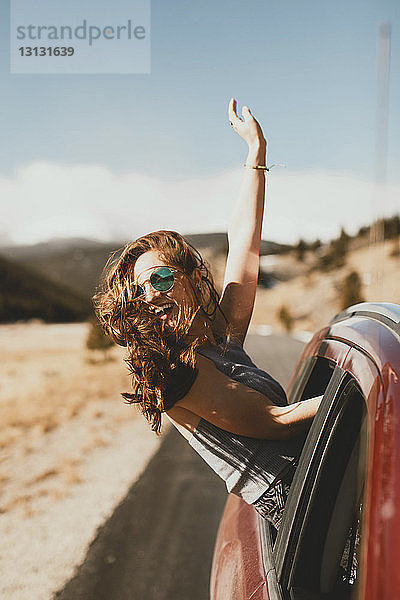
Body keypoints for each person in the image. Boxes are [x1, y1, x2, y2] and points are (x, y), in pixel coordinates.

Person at [95, 98, 322, 529]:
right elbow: (276, 424)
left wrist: (256, 154)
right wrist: (363, 392)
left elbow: (244, 245)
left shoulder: (218, 334)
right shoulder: (172, 369)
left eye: (159, 279)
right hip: (302, 507)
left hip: (313, 480)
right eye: (137, 290)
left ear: (191, 276)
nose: (149, 296)